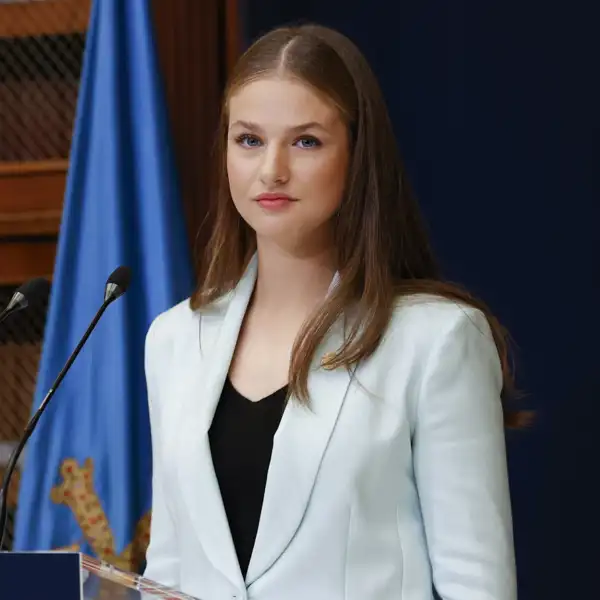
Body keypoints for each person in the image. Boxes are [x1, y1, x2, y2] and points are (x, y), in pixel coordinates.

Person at [142, 23, 520, 600]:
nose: (271, 169)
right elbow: (166, 570)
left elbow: (478, 585)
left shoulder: (435, 338)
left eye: (306, 141)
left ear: (357, 153)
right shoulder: (174, 339)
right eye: (248, 140)